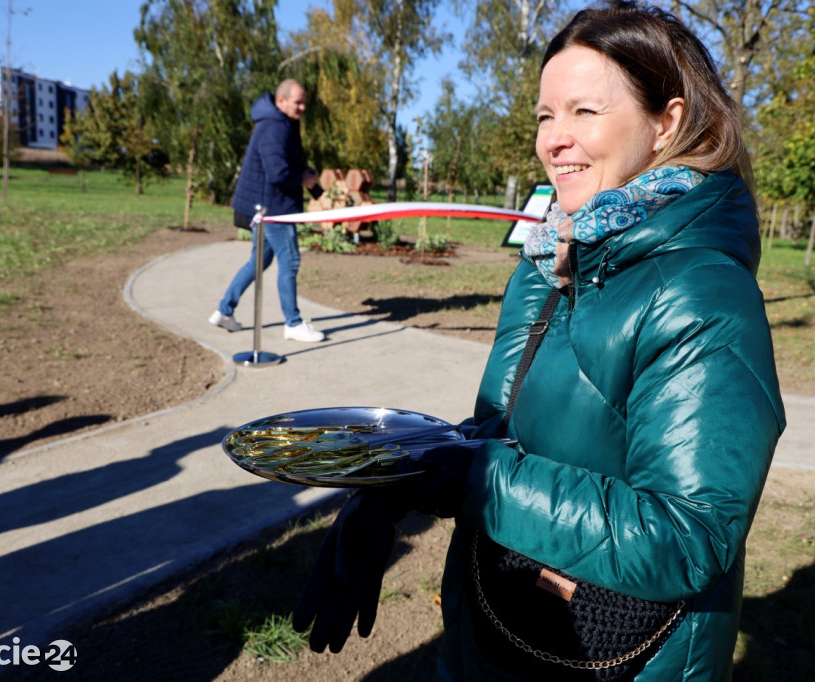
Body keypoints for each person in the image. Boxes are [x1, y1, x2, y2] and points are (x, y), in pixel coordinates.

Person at [292, 2, 786, 680]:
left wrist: (473, 478)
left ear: (666, 123)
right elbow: (495, 432)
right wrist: (397, 481)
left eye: (584, 112)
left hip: (627, 657)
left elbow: (687, 537)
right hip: (494, 625)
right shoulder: (551, 259)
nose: (555, 139)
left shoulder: (704, 292)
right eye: (545, 116)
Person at [209, 79, 325, 343]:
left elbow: (289, 163)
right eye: (298, 102)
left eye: (304, 101)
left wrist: (314, 187)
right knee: (290, 261)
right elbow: (278, 173)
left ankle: (224, 311)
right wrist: (302, 179)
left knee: (259, 261)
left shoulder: (281, 123)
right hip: (274, 208)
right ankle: (293, 324)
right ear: (281, 101)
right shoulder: (274, 127)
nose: (303, 107)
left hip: (264, 206)